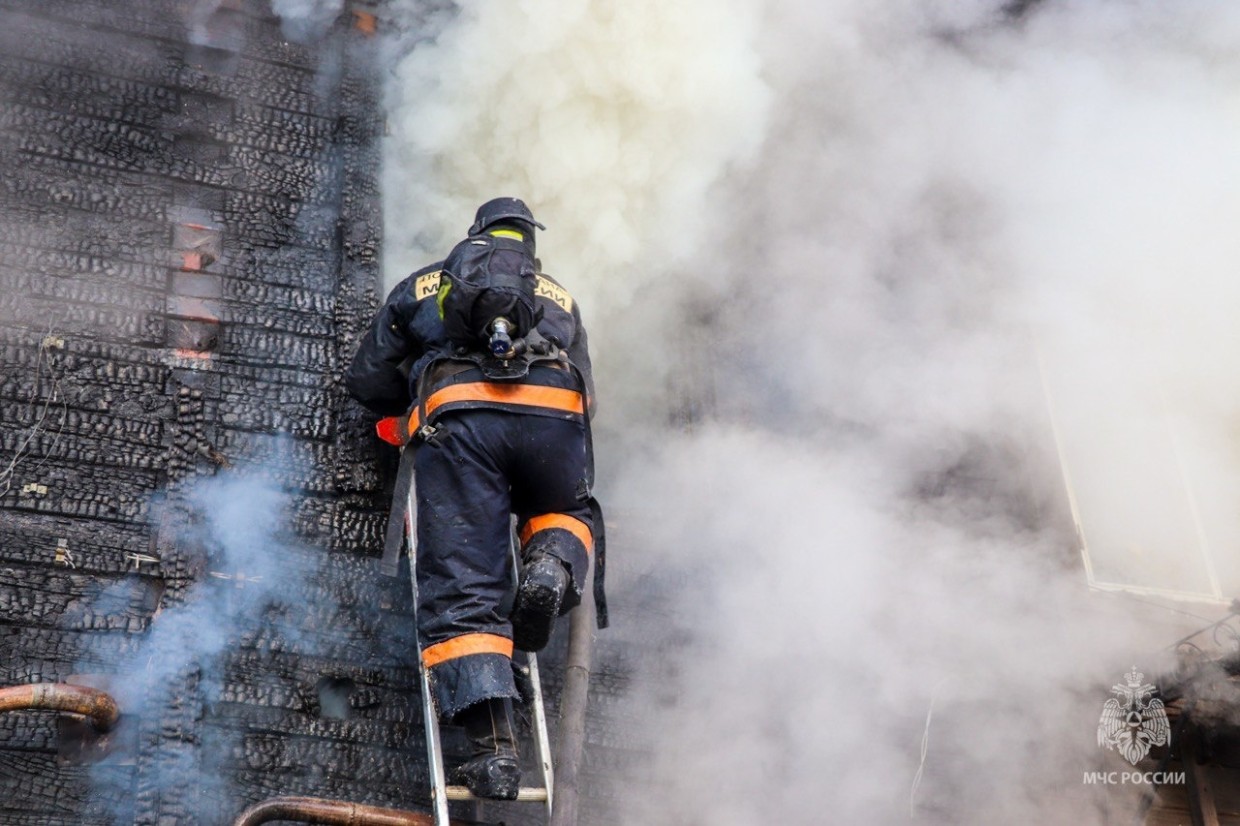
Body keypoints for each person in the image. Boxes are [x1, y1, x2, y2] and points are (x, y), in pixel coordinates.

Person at [345, 197, 597, 800]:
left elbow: (368, 380)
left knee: (465, 592)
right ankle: (550, 566)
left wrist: (408, 405)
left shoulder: (424, 286)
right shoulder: (558, 297)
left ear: (473, 236)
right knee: (566, 511)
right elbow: (589, 391)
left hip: (462, 423)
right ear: (529, 243)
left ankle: (493, 756)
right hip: (555, 417)